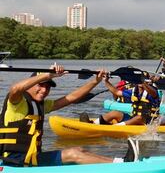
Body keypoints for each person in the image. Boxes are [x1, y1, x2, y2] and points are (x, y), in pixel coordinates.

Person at [0, 65, 138, 166]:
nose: (44, 90)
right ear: (31, 84)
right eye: (40, 85)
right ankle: (123, 164)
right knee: (73, 154)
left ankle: (119, 161)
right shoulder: (17, 102)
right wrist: (47, 75)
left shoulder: (41, 105)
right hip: (14, 160)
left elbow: (71, 97)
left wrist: (95, 81)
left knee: (78, 150)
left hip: (30, 157)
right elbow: (15, 89)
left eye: (47, 87)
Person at [92, 76, 165, 126]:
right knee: (115, 112)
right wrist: (106, 81)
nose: (141, 83)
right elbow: (116, 92)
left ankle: (116, 126)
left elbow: (152, 92)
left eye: (143, 80)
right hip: (133, 118)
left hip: (149, 121)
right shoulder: (133, 91)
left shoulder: (153, 92)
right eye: (140, 81)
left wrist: (144, 83)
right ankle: (93, 123)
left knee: (139, 117)